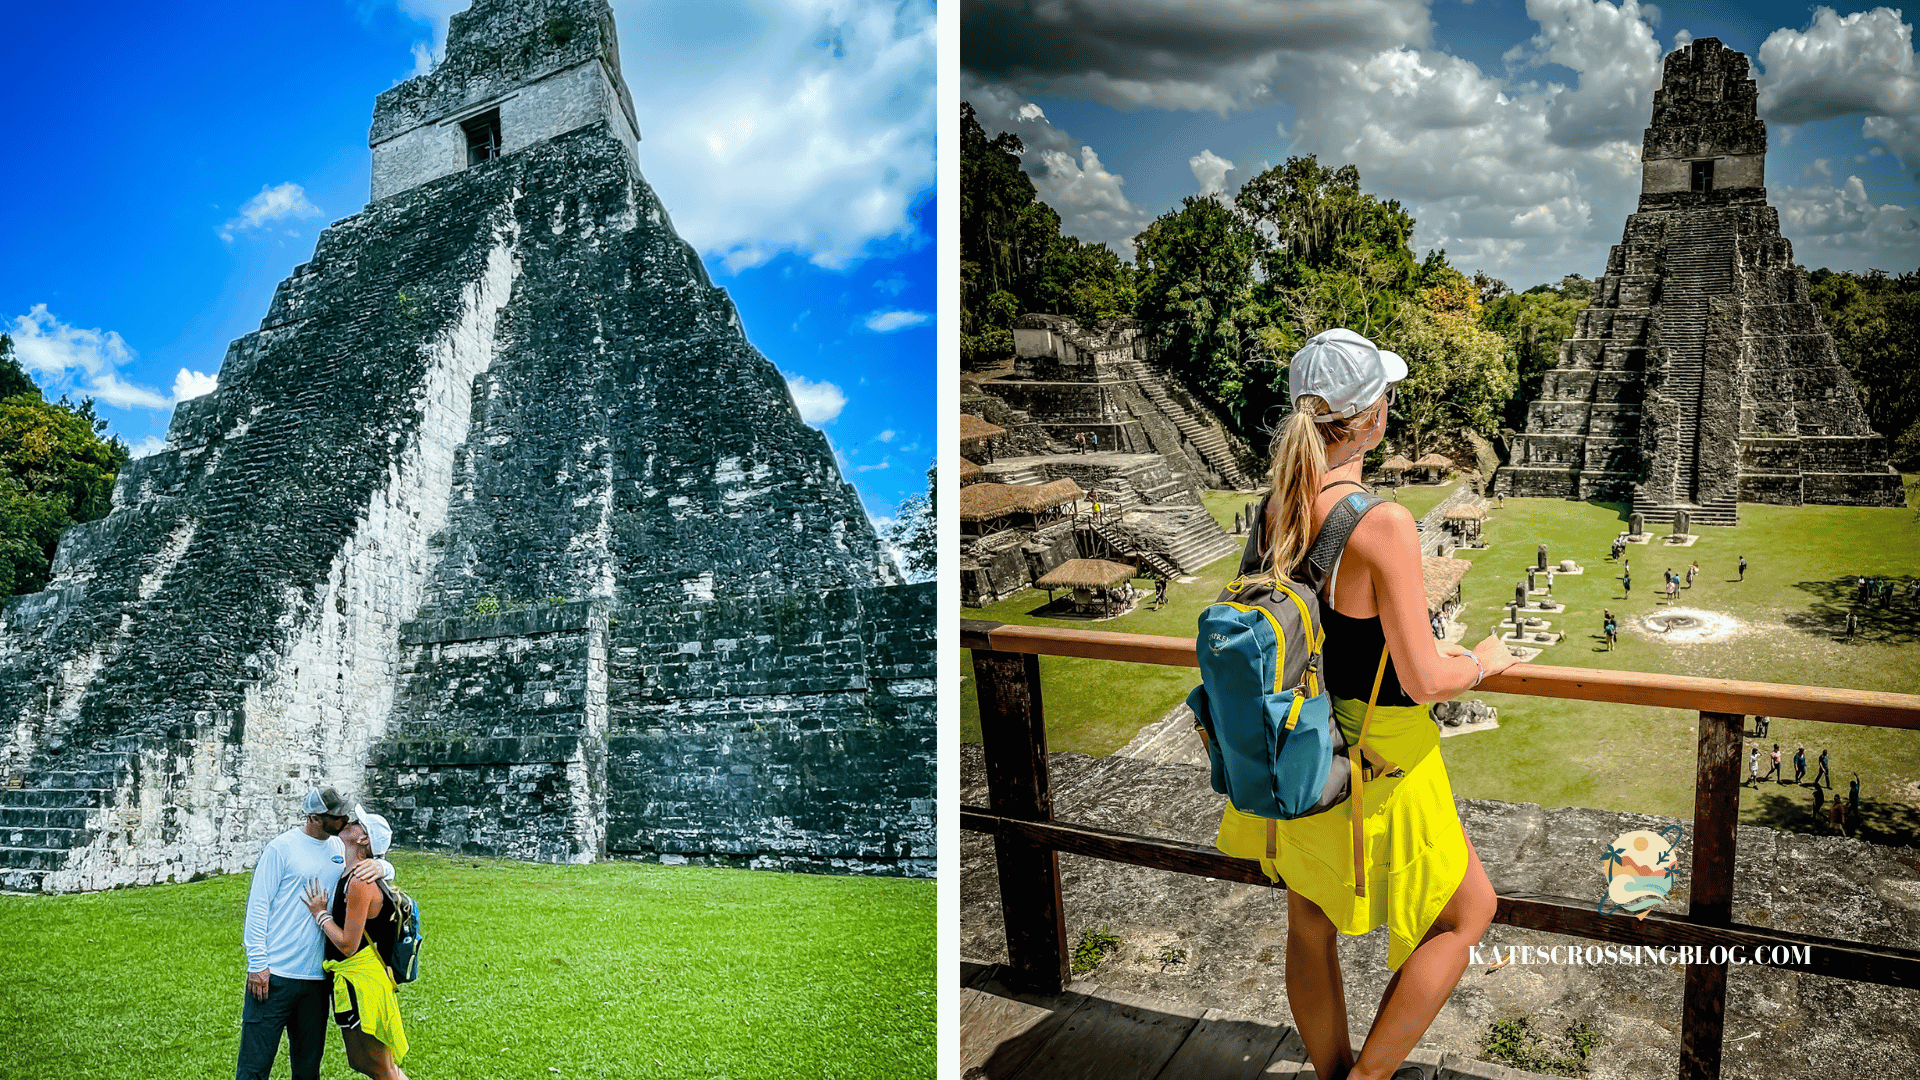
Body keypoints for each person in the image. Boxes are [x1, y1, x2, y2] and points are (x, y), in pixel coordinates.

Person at [1214, 327, 1521, 1080]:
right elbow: (1421, 678)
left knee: (1309, 922)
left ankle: (1333, 1073)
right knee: (1466, 915)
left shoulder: (1275, 507)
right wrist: (1481, 662)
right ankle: (1368, 1078)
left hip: (1298, 740)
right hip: (1379, 753)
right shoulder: (1379, 523)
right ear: (1374, 417)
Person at [239, 788, 390, 1080]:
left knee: (308, 1069)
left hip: (317, 981)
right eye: (337, 816)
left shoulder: (339, 849)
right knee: (254, 1067)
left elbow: (366, 871)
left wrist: (383, 865)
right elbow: (258, 907)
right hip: (275, 976)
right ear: (315, 818)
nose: (345, 819)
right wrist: (258, 964)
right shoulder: (281, 848)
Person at [305, 807, 410, 1080]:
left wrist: (320, 914)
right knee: (361, 1061)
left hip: (363, 982)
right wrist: (384, 865)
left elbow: (349, 945)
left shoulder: (360, 883)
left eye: (357, 823)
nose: (349, 822)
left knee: (380, 1067)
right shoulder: (351, 872)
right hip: (354, 980)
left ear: (364, 840)